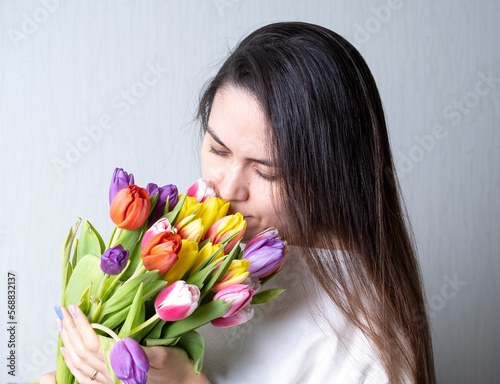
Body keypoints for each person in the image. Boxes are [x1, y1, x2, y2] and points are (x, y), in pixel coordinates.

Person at [40, 22, 436, 383]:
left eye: (266, 172)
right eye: (217, 148)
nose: (228, 189)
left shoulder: (367, 342)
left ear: (334, 173)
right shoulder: (204, 251)